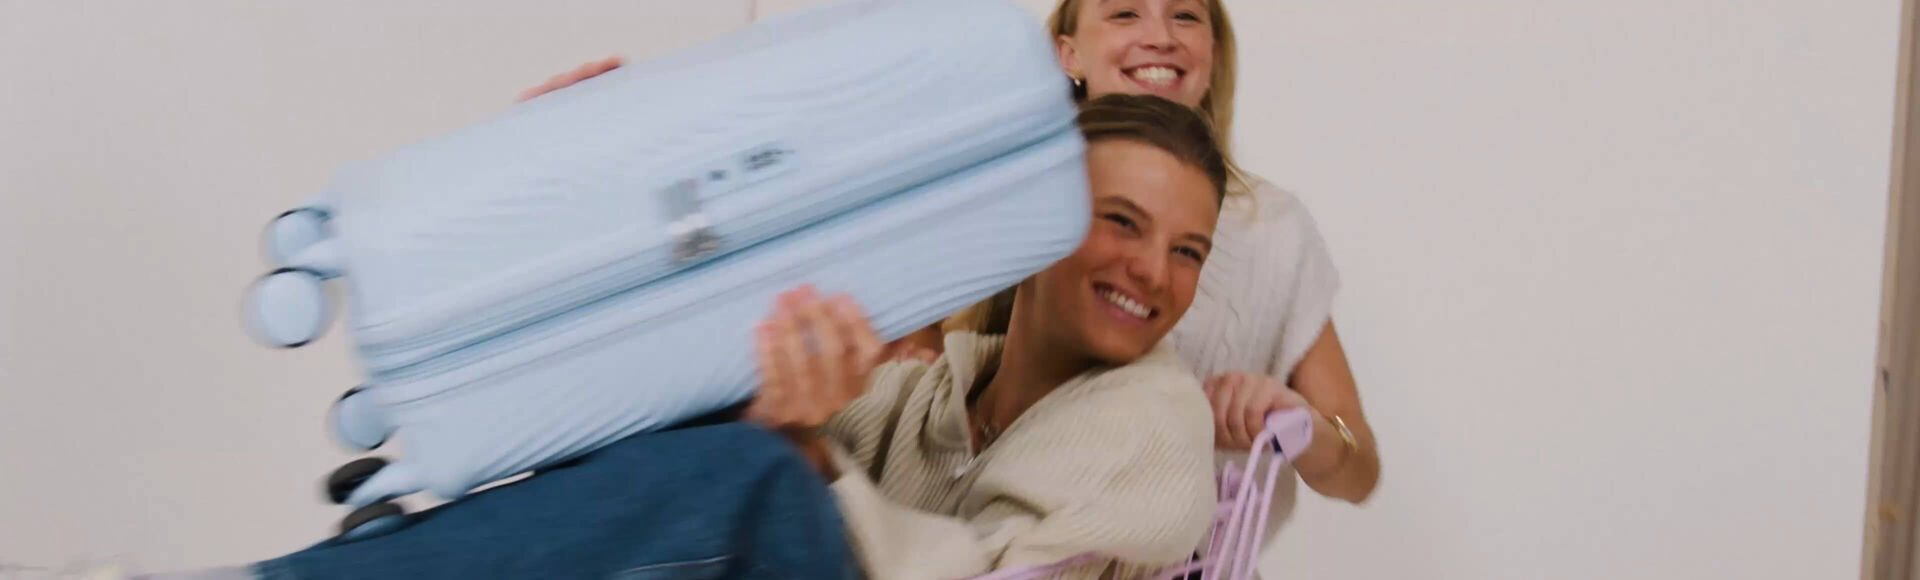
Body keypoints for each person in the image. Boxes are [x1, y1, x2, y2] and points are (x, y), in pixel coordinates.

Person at [140, 94, 1231, 580]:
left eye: (1188, 250)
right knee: (688, 422)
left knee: (752, 476)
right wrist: (593, 173)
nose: (1153, 271)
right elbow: (690, 450)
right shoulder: (926, 392)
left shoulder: (1152, 418)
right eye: (1121, 221)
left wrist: (803, 456)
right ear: (1035, 218)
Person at [526, 0, 1384, 548]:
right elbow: (849, 387)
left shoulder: (1268, 235)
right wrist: (604, 182)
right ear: (1066, 50)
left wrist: (1302, 428)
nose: (1160, 33)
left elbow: (1357, 462)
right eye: (1126, 10)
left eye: (1188, 15)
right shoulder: (981, 236)